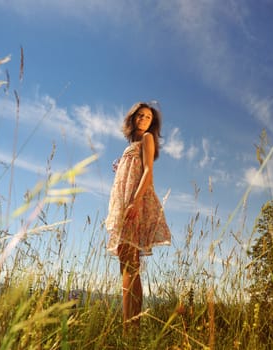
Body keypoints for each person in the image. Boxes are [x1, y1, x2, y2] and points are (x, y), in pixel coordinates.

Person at [105, 101, 172, 335]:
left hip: (135, 202)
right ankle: (130, 328)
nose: (144, 119)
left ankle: (130, 329)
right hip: (125, 202)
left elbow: (147, 172)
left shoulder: (147, 139)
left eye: (148, 117)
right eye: (140, 115)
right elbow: (132, 168)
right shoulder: (132, 145)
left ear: (151, 124)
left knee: (130, 268)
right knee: (127, 266)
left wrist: (134, 200)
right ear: (132, 118)